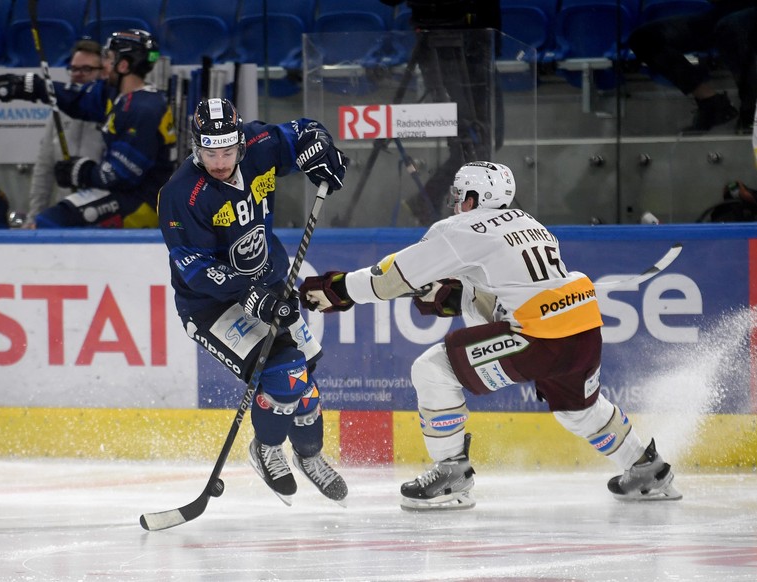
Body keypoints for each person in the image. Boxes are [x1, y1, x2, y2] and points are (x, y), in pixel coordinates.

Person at [299, 161, 682, 510]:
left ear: (474, 198)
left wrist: (338, 290)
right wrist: (454, 296)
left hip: (539, 337)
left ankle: (451, 473)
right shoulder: (530, 223)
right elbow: (504, 293)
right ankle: (647, 468)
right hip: (583, 330)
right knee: (577, 410)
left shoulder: (461, 229)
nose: (454, 204)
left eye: (459, 196)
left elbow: (391, 277)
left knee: (432, 371)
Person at [157, 97, 349, 506]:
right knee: (285, 372)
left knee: (304, 379)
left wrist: (324, 155)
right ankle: (266, 449)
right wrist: (250, 296)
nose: (220, 161)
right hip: (211, 306)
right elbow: (193, 266)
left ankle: (309, 455)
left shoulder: (259, 143)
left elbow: (307, 132)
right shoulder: (180, 194)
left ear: (240, 142)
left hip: (268, 283)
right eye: (210, 152)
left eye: (228, 150)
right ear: (196, 146)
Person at [0, 29, 175, 228]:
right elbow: (78, 99)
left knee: (50, 223)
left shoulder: (143, 109)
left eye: (108, 58)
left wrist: (81, 171)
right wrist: (36, 87)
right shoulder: (117, 94)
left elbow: (120, 176)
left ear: (123, 65)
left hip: (142, 203)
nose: (104, 64)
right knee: (54, 218)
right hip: (124, 194)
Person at [380, 0, 504, 225]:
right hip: (435, 43)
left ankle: (436, 199)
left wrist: (494, 44)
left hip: (475, 41)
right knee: (465, 135)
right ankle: (442, 202)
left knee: (478, 136)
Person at [628, 1, 757, 134]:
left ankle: (751, 112)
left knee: (732, 27)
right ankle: (711, 102)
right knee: (643, 38)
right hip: (723, 15)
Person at [24, 39, 106, 228]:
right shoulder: (59, 112)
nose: (78, 75)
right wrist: (34, 216)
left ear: (102, 72)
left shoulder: (113, 111)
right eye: (74, 69)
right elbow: (43, 169)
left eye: (86, 69)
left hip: (104, 217)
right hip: (68, 215)